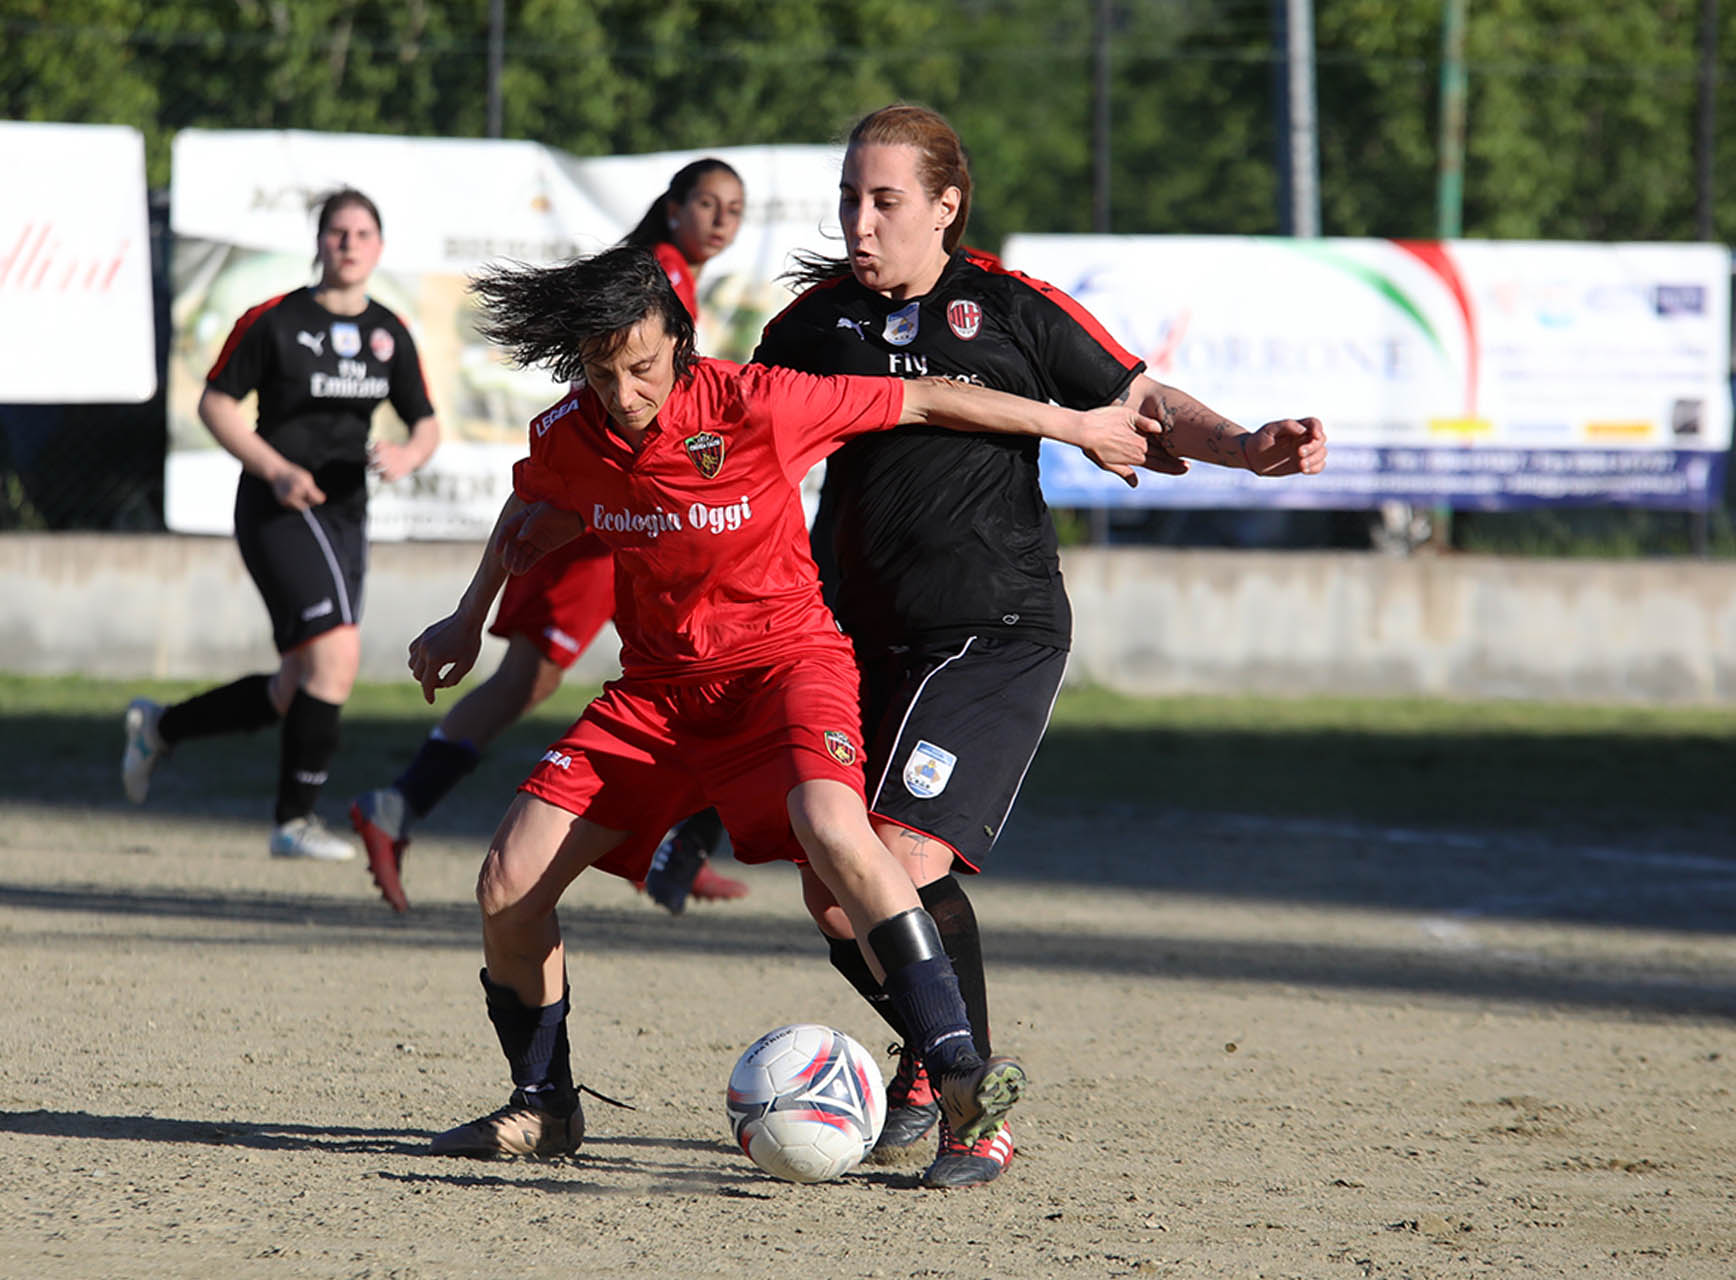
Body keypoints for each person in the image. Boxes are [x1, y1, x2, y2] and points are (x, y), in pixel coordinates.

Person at [403, 244, 1169, 1163]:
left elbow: (928, 397)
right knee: (508, 886)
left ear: (680, 344)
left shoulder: (759, 402)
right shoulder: (571, 430)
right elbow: (533, 505)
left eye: (642, 368)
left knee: (835, 829)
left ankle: (959, 1072)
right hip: (656, 699)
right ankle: (544, 1105)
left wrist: (1074, 426)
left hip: (784, 670)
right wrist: (466, 614)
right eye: (602, 373)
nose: (625, 393)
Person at [752, 103, 1328, 1188]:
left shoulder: (1006, 308)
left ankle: (977, 1113)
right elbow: (746, 449)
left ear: (946, 206)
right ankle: (934, 1063)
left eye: (885, 202)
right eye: (848, 200)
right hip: (858, 641)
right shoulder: (807, 328)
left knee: (901, 856)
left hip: (992, 631)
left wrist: (1246, 448)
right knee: (835, 896)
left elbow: (1140, 397)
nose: (860, 223)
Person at [349, 158, 751, 915]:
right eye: (708, 203)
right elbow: (616, 409)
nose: (724, 220)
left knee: (588, 673)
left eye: (736, 207)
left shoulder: (665, 273)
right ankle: (658, 841)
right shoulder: (659, 277)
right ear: (673, 208)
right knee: (641, 668)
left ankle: (657, 841)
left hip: (612, 519)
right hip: (600, 524)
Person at [121, 189, 441, 859]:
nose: (349, 244)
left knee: (296, 683)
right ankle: (293, 823)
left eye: (362, 233)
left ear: (378, 248)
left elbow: (426, 421)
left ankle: (162, 727)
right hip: (279, 509)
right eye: (336, 232)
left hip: (347, 515)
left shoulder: (390, 332)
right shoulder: (274, 320)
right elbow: (216, 404)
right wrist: (276, 469)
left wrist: (408, 453)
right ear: (318, 243)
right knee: (337, 657)